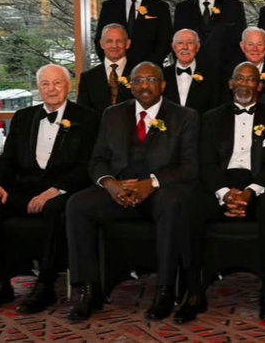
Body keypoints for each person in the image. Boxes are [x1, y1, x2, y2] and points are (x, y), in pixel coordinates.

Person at [65, 62, 199, 321]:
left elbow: (189, 167)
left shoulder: (185, 116)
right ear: (131, 86)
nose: (144, 86)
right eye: (138, 81)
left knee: (173, 203)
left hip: (158, 192)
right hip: (119, 190)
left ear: (163, 85)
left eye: (151, 80)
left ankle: (165, 291)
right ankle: (90, 290)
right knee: (77, 205)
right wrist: (110, 184)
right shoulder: (112, 114)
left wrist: (152, 183)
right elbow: (98, 160)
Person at [0, 65, 98, 315]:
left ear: (68, 86)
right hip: (25, 188)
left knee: (54, 209)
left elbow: (89, 164)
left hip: (63, 190)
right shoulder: (23, 117)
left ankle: (45, 285)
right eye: (45, 84)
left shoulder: (89, 118)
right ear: (38, 88)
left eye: (57, 83)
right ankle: (1, 283)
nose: (51, 89)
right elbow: (6, 160)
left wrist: (57, 189)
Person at [174, 62, 265, 323]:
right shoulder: (211, 118)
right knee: (189, 207)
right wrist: (225, 193)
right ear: (230, 83)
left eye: (251, 80)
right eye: (240, 79)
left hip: (259, 184)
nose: (245, 84)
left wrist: (251, 192)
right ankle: (194, 292)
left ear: (259, 85)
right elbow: (206, 162)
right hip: (222, 182)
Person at [93, 0, 172, 68]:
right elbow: (100, 40)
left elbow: (165, 42)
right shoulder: (109, 7)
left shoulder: (160, 7)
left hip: (149, 71)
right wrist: (113, 65)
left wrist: (146, 67)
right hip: (116, 70)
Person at [173, 0, 247, 75]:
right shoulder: (183, 8)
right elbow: (176, 44)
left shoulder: (234, 6)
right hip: (193, 73)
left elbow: (241, 42)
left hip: (224, 74)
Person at [78, 23, 135, 113]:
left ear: (128, 44)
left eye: (119, 41)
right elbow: (83, 113)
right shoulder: (88, 77)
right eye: (109, 41)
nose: (114, 45)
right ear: (101, 44)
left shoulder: (139, 74)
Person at [163, 29, 223, 113]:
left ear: (197, 47)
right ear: (173, 47)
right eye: (180, 43)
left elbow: (217, 109)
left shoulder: (213, 76)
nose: (185, 47)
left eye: (190, 43)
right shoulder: (162, 75)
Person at [237, 26, 265, 106]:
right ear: (242, 46)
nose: (255, 49)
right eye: (250, 44)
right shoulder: (231, 72)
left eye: (259, 44)